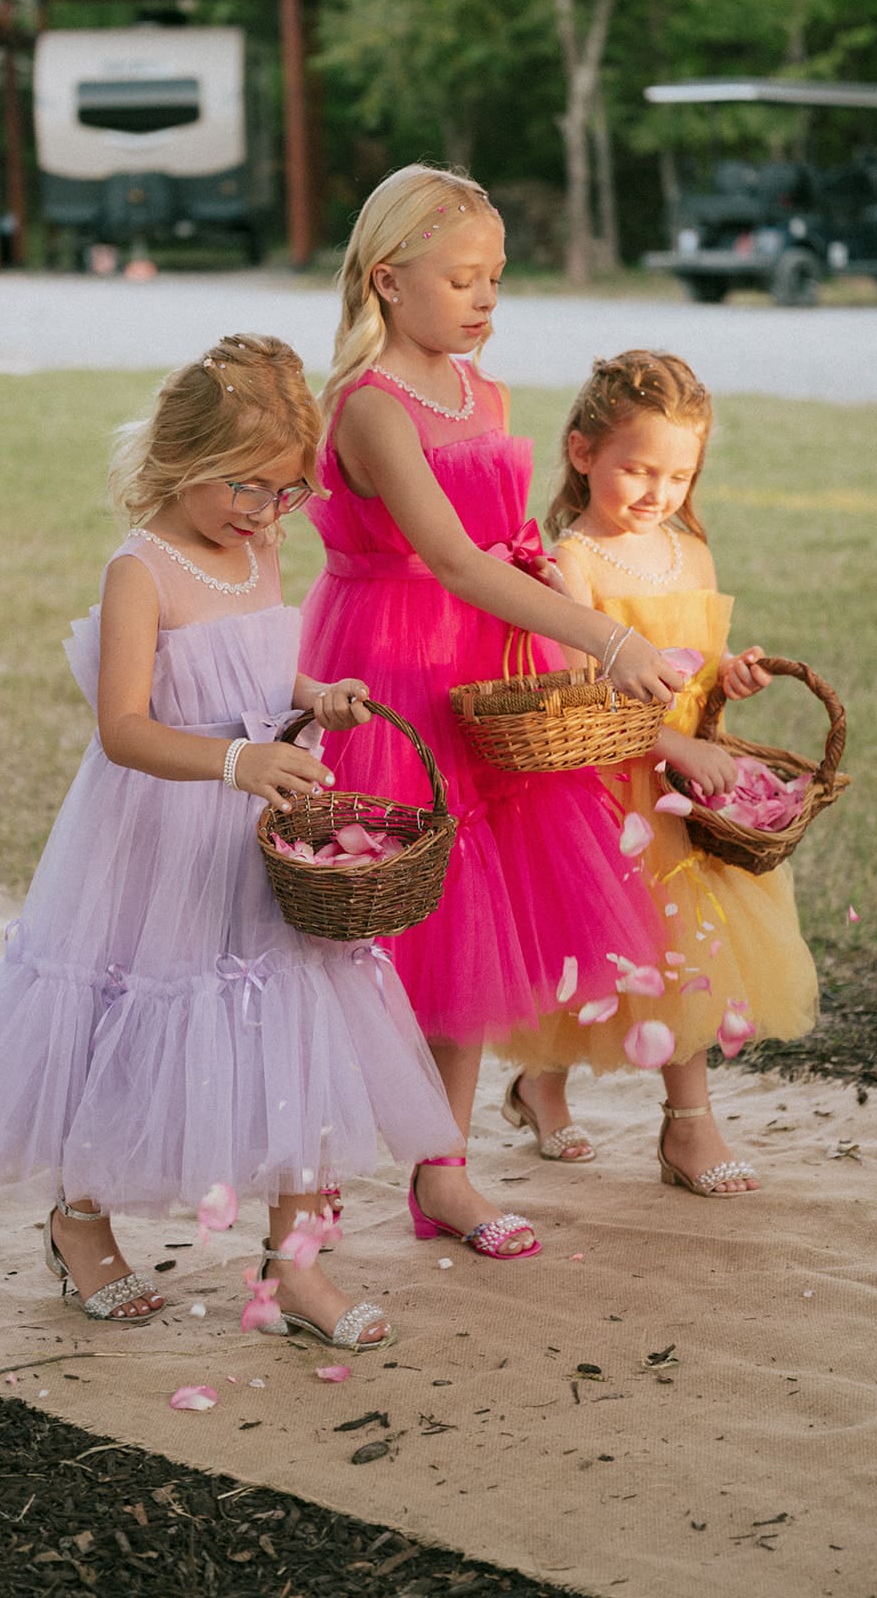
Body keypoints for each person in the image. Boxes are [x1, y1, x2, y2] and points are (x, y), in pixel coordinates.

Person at [0, 333, 462, 1346]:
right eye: (243, 487)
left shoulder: (257, 549)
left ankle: (296, 1267)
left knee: (301, 1022)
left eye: (285, 492)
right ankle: (80, 1220)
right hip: (160, 835)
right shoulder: (141, 570)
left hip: (263, 838)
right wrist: (232, 763)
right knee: (133, 1029)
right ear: (180, 457)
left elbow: (255, 668)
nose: (262, 512)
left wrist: (312, 696)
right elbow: (125, 727)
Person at [298, 165, 684, 1258]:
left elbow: (511, 550)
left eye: (494, 278)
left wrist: (573, 638)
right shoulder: (370, 408)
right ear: (387, 280)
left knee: (469, 914)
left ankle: (442, 1169)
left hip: (485, 670)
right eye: (461, 278)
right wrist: (613, 640)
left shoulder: (489, 396)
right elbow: (457, 562)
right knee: (377, 916)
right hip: (391, 664)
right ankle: (310, 1171)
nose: (484, 299)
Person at [504, 349, 819, 1195]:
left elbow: (697, 677)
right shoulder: (574, 565)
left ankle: (683, 1125)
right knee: (600, 953)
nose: (657, 492)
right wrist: (673, 750)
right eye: (637, 468)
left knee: (686, 956)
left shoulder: (690, 553)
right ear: (582, 454)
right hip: (610, 784)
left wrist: (730, 681)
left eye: (678, 474)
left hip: (686, 790)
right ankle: (546, 1080)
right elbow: (583, 694)